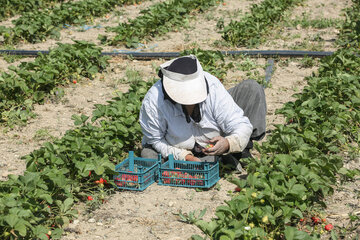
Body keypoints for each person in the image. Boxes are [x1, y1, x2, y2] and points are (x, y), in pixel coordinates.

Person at [139, 55, 266, 171]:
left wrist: (228, 143)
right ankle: (208, 161)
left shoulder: (212, 86)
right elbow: (156, 140)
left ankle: (239, 151)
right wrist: (185, 156)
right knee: (149, 156)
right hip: (176, 146)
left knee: (251, 89)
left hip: (215, 136)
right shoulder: (154, 101)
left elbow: (239, 123)